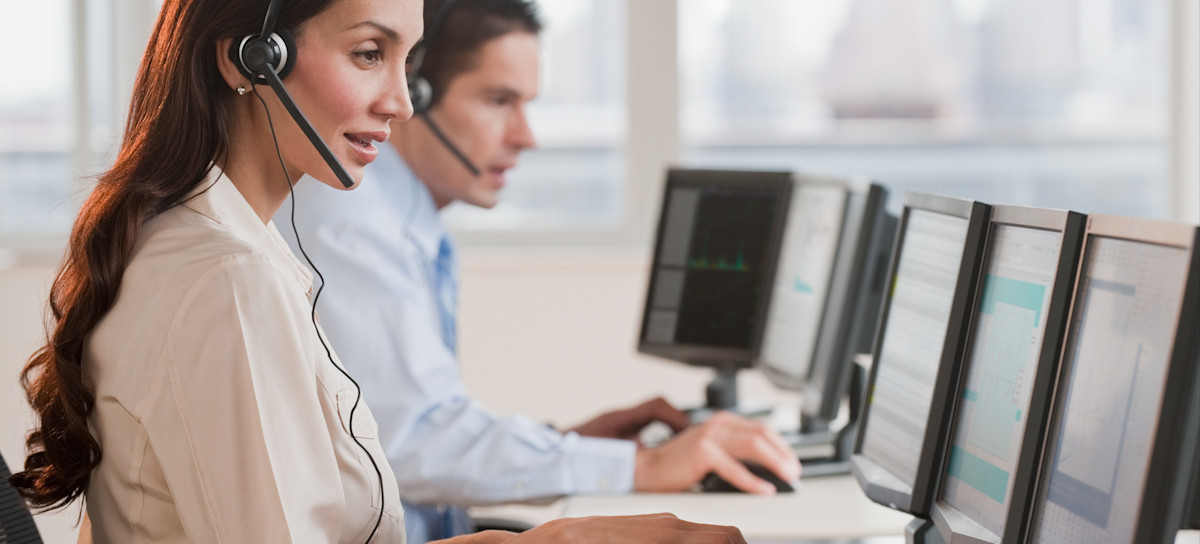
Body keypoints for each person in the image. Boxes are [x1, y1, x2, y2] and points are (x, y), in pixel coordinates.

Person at [7, 0, 748, 542]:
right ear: (252, 58)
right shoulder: (228, 279)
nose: (400, 103)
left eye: (407, 62)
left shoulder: (223, 248)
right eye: (369, 54)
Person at [281, 0, 802, 541]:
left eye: (526, 105)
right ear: (419, 95)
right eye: (498, 101)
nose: (526, 136)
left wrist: (566, 441)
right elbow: (417, 442)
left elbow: (407, 422)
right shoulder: (350, 220)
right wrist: (641, 466)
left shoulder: (404, 218)